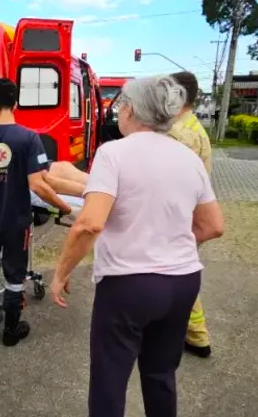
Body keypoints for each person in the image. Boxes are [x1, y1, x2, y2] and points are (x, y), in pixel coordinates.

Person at [49, 75, 225, 417]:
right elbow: (213, 226)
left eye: (121, 106)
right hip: (183, 282)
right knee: (161, 374)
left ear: (130, 109)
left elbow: (89, 223)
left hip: (128, 284)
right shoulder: (188, 157)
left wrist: (61, 273)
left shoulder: (113, 153)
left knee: (110, 380)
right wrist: (168, 242)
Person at [0, 79, 72, 347]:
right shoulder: (29, 138)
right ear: (15, 104)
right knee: (15, 275)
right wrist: (64, 207)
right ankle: (11, 330)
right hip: (16, 221)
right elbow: (38, 184)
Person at [166, 71, 214, 359]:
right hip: (189, 211)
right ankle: (194, 333)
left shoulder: (180, 133)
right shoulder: (191, 125)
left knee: (177, 273)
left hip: (180, 216)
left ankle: (196, 336)